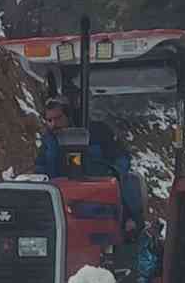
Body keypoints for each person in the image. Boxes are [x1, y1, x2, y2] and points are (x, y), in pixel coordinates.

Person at [34, 96, 141, 239]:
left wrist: (112, 174)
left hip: (98, 194)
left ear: (69, 115)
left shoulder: (97, 132)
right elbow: (40, 169)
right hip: (61, 199)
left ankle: (129, 222)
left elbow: (122, 159)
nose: (53, 124)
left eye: (58, 118)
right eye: (49, 120)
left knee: (129, 185)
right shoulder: (48, 143)